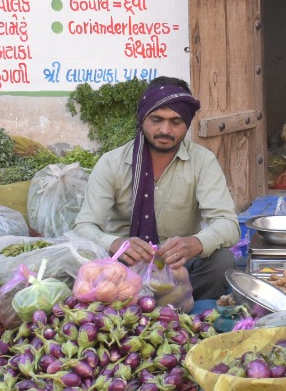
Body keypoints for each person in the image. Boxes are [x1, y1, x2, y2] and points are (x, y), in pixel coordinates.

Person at [73, 76, 239, 309]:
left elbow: (228, 224)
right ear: (142, 120)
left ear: (187, 123)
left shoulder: (202, 161)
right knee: (86, 262)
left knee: (222, 260)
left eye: (175, 121)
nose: (165, 130)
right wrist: (116, 243)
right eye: (157, 119)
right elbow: (83, 227)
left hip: (179, 266)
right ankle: (134, 304)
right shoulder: (112, 163)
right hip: (123, 267)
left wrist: (195, 243)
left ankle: (193, 317)